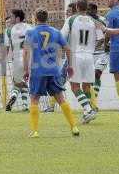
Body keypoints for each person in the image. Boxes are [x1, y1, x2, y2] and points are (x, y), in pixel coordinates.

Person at [23, 8, 79, 138]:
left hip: (38, 71)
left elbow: (25, 52)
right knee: (60, 99)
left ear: (35, 18)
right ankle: (74, 127)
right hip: (53, 70)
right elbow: (68, 49)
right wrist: (69, 66)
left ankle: (35, 131)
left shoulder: (30, 32)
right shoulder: (56, 32)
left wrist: (26, 69)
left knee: (34, 99)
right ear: (47, 17)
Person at [61, 0, 98, 123]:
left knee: (74, 86)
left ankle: (88, 109)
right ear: (86, 7)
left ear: (76, 7)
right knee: (86, 85)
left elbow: (62, 36)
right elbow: (100, 37)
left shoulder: (71, 19)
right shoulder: (93, 21)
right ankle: (87, 112)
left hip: (75, 55)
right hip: (89, 55)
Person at [4, 9, 31, 112]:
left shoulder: (9, 30)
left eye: (12, 17)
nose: (10, 19)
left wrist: (4, 59)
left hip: (16, 59)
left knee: (17, 82)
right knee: (24, 81)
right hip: (28, 58)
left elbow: (6, 47)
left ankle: (13, 96)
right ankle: (25, 105)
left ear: (17, 18)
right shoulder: (29, 28)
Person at [87, 2, 108, 110]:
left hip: (102, 53)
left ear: (95, 10)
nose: (87, 12)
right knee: (90, 78)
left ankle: (93, 100)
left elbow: (102, 37)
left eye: (89, 10)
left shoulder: (101, 20)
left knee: (97, 74)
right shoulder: (85, 21)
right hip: (89, 53)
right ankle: (93, 102)